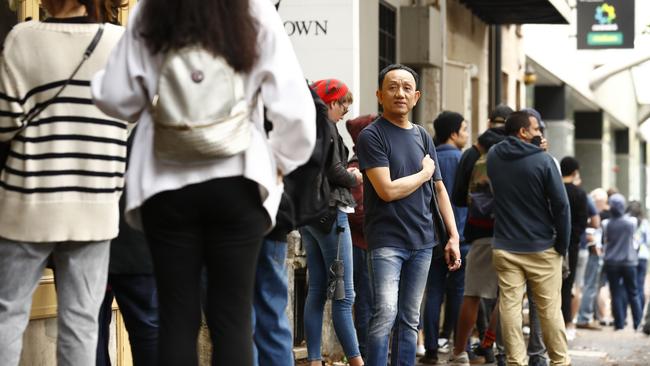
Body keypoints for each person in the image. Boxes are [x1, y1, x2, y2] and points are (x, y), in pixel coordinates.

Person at [91, 0, 316, 364]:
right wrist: (279, 161)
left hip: (165, 181)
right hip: (239, 180)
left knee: (176, 317)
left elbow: (118, 98)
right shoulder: (255, 9)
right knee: (232, 317)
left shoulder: (153, 9)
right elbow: (295, 108)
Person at [0, 1, 127, 365]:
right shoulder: (122, 44)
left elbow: (6, 121)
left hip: (28, 201)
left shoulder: (23, 38)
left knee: (7, 313)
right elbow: (133, 116)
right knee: (82, 321)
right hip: (95, 202)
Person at [357, 64, 461, 366]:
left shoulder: (422, 136)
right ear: (379, 95)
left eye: (406, 88)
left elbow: (440, 190)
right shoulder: (371, 136)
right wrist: (424, 172)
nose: (399, 93)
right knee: (385, 314)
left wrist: (452, 236)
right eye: (392, 87)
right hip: (387, 241)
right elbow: (387, 190)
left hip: (423, 242)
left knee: (409, 319)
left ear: (416, 97)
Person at [487, 111, 571, 366]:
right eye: (536, 129)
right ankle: (560, 362)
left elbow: (510, 160)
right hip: (542, 247)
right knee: (549, 311)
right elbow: (561, 206)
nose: (540, 134)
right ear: (523, 132)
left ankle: (515, 362)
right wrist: (562, 245)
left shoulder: (493, 156)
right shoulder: (543, 161)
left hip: (504, 245)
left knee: (510, 308)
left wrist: (534, 149)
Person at [300, 79, 364, 366]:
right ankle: (356, 362)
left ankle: (314, 361)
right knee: (344, 295)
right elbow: (335, 170)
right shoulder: (325, 127)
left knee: (315, 291)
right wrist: (356, 177)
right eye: (343, 103)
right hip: (332, 214)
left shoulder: (305, 124)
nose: (346, 110)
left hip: (309, 217)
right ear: (330, 101)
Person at [447, 105, 511, 366]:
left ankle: (460, 352)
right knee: (507, 294)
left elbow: (458, 196)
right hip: (512, 233)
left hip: (480, 232)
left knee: (472, 293)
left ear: (489, 121)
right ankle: (491, 343)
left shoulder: (474, 151)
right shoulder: (516, 149)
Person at [419, 111, 469, 364]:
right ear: (453, 133)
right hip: (460, 234)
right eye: (465, 129)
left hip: (432, 233)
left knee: (433, 290)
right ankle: (457, 346)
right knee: (460, 291)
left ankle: (429, 348)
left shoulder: (429, 158)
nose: (467, 134)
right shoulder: (463, 160)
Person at [346, 113, 379, 360]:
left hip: (375, 244)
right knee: (366, 304)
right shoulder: (356, 169)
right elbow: (357, 213)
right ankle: (366, 356)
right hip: (365, 245)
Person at [559, 157, 590, 341]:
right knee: (568, 284)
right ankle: (567, 323)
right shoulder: (579, 193)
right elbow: (582, 220)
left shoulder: (554, 188)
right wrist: (574, 238)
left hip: (552, 243)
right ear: (575, 172)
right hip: (572, 245)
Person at [602, 194, 643, 330]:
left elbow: (604, 241)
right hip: (629, 262)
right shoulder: (631, 222)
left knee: (615, 293)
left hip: (611, 262)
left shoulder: (606, 223)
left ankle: (619, 323)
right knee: (633, 292)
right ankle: (637, 323)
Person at [576, 188, 608, 329]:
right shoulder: (591, 212)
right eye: (602, 202)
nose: (603, 205)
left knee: (590, 286)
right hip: (591, 252)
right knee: (589, 285)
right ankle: (584, 317)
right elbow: (590, 233)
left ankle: (586, 316)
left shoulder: (592, 211)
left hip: (590, 251)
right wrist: (596, 246)